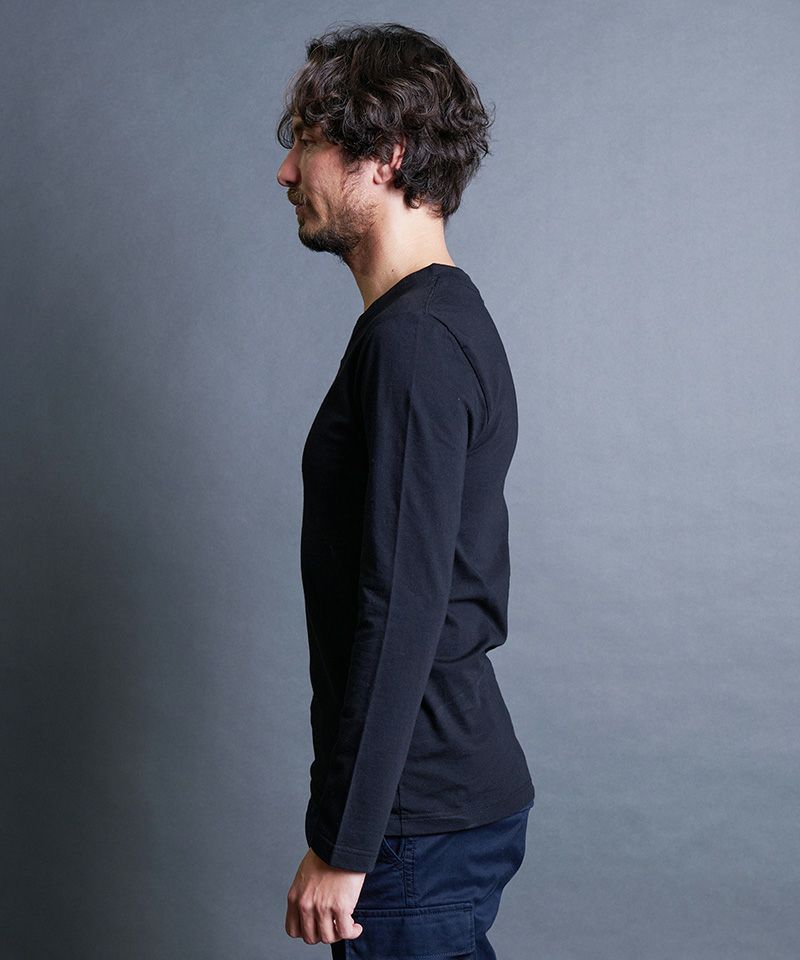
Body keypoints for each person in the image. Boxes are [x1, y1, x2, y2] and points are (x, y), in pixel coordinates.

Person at [276, 22, 536, 959]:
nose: (285, 172)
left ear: (386, 155)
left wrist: (345, 845)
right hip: (428, 810)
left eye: (309, 142)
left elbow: (404, 607)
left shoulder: (416, 340)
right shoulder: (427, 324)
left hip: (415, 825)